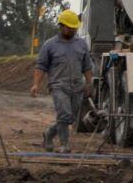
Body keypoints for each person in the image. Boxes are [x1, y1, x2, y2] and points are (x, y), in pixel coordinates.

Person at [32, 10, 91, 153]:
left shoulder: (81, 44)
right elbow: (41, 66)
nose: (71, 30)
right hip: (58, 86)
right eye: (69, 27)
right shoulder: (50, 45)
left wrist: (89, 83)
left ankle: (49, 134)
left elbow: (87, 66)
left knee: (70, 118)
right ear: (61, 26)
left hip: (77, 86)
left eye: (74, 28)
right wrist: (36, 84)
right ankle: (64, 145)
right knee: (64, 114)